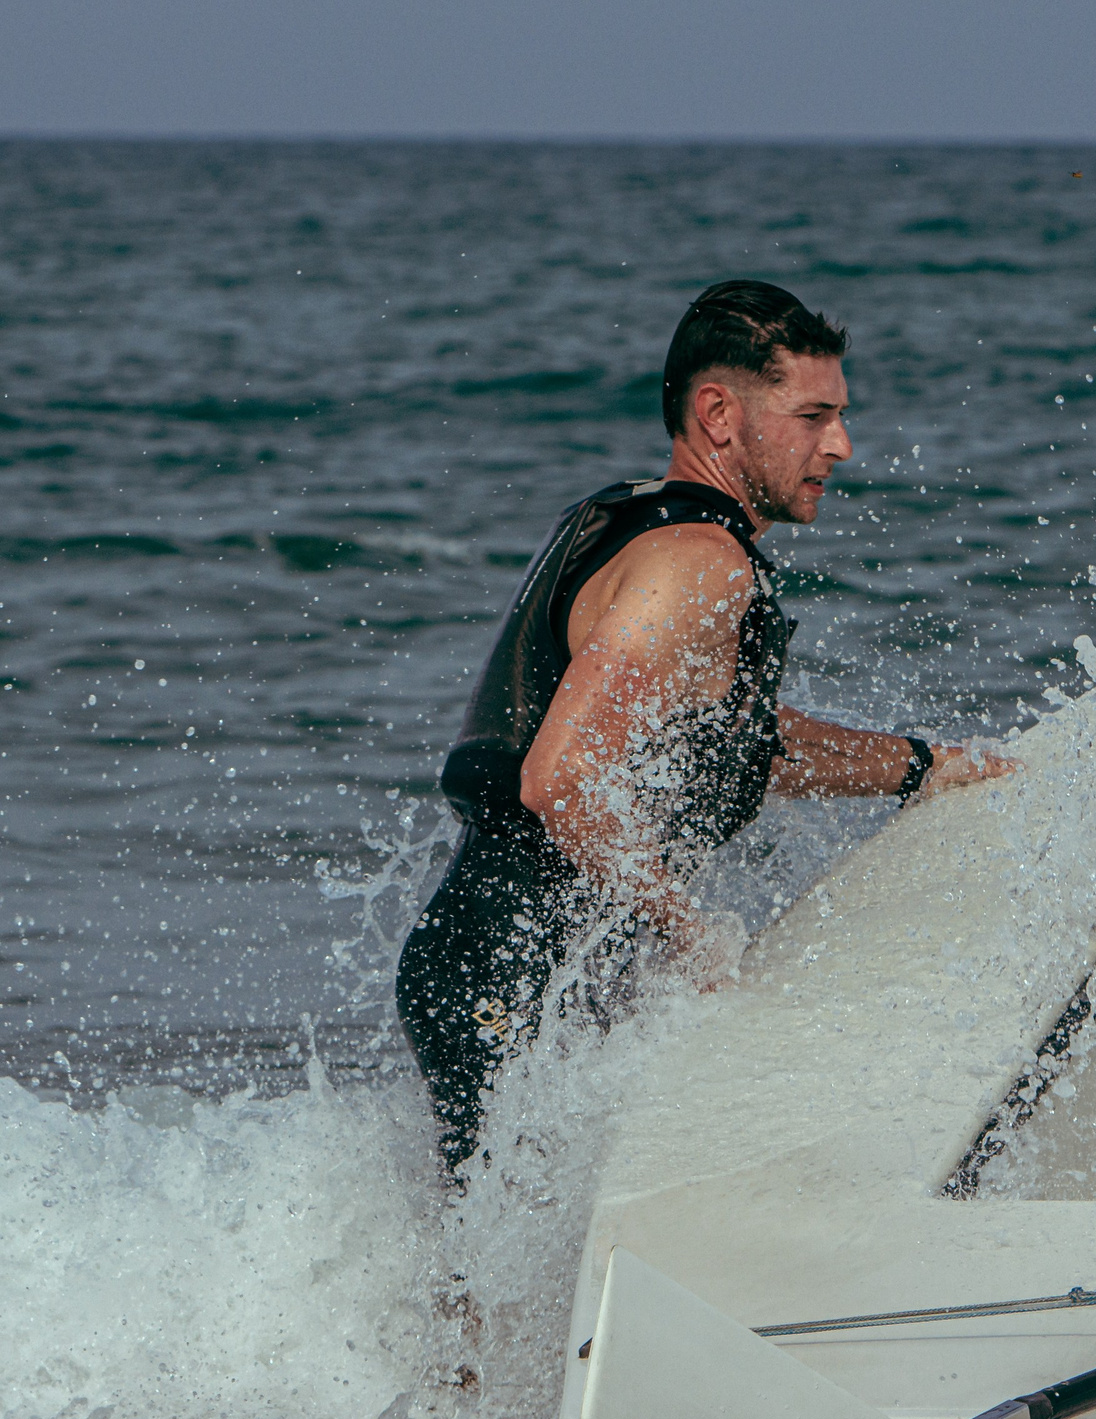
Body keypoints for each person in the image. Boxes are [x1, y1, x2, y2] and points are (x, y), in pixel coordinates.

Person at [397, 280, 1011, 1165]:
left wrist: (922, 766)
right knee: (511, 1255)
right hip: (506, 979)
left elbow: (740, 749)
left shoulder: (639, 525)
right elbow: (556, 779)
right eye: (813, 415)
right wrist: (694, 937)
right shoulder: (697, 563)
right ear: (719, 413)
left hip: (486, 966)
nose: (840, 444)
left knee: (497, 1259)